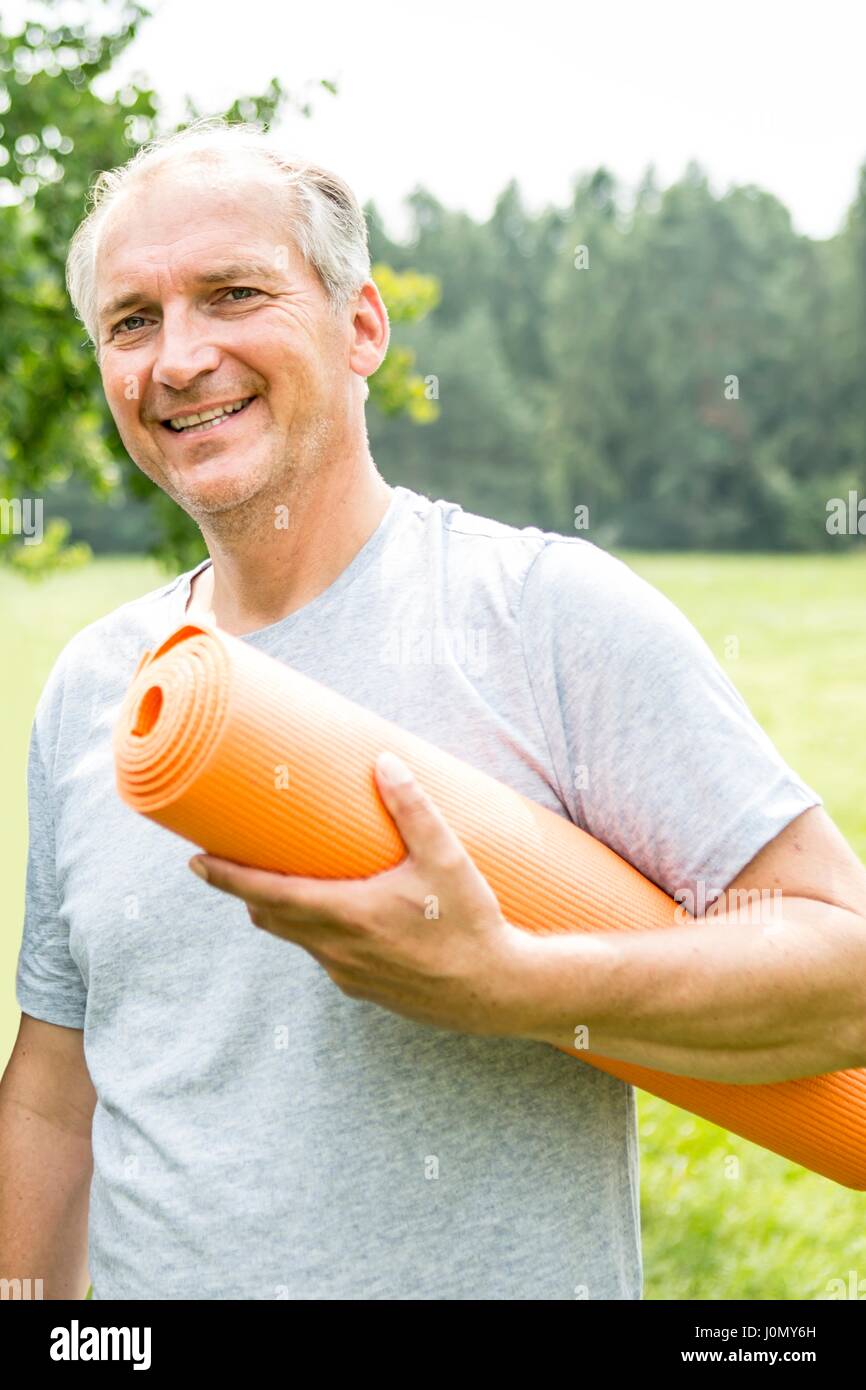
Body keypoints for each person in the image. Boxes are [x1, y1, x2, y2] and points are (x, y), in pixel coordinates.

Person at [3, 118, 865, 1302]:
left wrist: (517, 985)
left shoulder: (546, 616)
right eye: (132, 321)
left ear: (361, 326)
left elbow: (843, 965)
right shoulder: (98, 689)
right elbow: (56, 1090)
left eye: (233, 293)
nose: (178, 358)